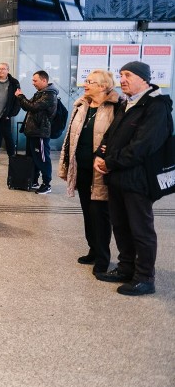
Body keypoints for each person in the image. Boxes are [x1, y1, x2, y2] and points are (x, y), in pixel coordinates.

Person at [93, 61, 173, 296]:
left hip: (138, 179)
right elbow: (110, 135)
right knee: (120, 225)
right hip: (117, 177)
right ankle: (126, 267)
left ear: (144, 79)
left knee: (141, 228)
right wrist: (100, 153)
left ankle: (145, 277)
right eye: (121, 75)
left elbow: (143, 146)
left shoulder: (156, 106)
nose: (123, 79)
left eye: (128, 75)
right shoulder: (127, 104)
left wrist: (110, 162)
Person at [58, 69, 119, 276]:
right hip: (82, 167)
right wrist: (66, 162)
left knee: (100, 214)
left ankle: (103, 258)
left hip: (101, 170)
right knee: (87, 211)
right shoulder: (81, 106)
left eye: (90, 81)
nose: (85, 84)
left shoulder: (115, 107)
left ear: (103, 86)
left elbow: (116, 139)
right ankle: (93, 249)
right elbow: (70, 137)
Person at [15, 70, 58, 194]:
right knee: (32, 158)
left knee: (42, 159)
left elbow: (33, 107)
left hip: (40, 132)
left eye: (35, 80)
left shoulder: (49, 95)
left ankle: (47, 184)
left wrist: (20, 97)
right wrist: (21, 98)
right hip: (32, 131)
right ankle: (34, 180)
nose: (33, 83)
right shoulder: (40, 93)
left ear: (44, 80)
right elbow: (27, 106)